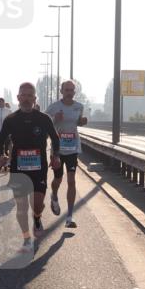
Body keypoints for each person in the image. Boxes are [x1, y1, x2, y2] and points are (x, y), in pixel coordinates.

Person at [0, 82, 60, 253]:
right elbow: (1, 139)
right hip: (18, 168)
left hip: (38, 167)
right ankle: (26, 239)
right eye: (23, 95)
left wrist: (56, 156)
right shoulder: (11, 119)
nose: (26, 98)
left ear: (34, 98)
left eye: (29, 95)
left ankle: (38, 217)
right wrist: (1, 154)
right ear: (18, 98)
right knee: (22, 206)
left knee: (37, 204)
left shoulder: (44, 119)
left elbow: (55, 139)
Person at [47, 79, 88, 227]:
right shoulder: (53, 107)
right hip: (58, 149)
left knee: (72, 181)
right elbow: (45, 125)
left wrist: (82, 122)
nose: (69, 93)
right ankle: (54, 195)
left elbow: (76, 123)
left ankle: (69, 217)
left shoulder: (79, 107)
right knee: (58, 179)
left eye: (72, 90)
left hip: (72, 148)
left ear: (74, 92)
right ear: (61, 91)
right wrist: (53, 119)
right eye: (67, 90)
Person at [0, 97, 12, 169]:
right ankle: (1, 163)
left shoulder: (9, 111)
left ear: (4, 102)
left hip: (6, 132)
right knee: (0, 149)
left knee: (7, 148)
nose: (1, 103)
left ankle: (6, 162)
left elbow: (12, 122)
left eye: (2, 102)